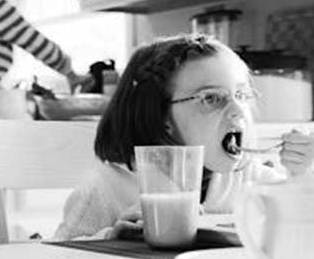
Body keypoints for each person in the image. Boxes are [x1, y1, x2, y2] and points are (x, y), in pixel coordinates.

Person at [53, 33, 314, 241]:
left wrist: (301, 175)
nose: (238, 110)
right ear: (162, 117)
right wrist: (111, 238)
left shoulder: (250, 179)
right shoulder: (106, 188)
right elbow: (54, 257)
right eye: (211, 98)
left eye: (242, 95)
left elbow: (299, 229)